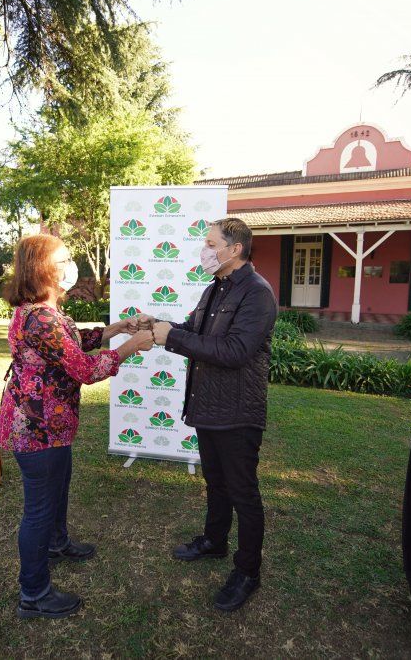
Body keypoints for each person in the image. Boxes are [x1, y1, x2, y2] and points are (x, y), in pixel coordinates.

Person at [0, 234, 154, 620]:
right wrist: (130, 346)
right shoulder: (40, 318)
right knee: (38, 509)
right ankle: (33, 594)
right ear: (42, 268)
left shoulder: (42, 312)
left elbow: (73, 342)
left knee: (58, 487)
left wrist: (117, 327)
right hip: (37, 429)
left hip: (51, 425)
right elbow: (83, 369)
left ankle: (57, 543)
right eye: (63, 259)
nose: (71, 266)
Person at [145, 217, 277, 612]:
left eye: (210, 243)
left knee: (243, 492)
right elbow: (195, 332)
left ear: (234, 248)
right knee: (216, 483)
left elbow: (236, 352)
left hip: (238, 411)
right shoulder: (215, 287)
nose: (204, 250)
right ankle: (214, 542)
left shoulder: (256, 293)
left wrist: (176, 336)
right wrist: (158, 327)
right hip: (209, 406)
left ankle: (248, 571)